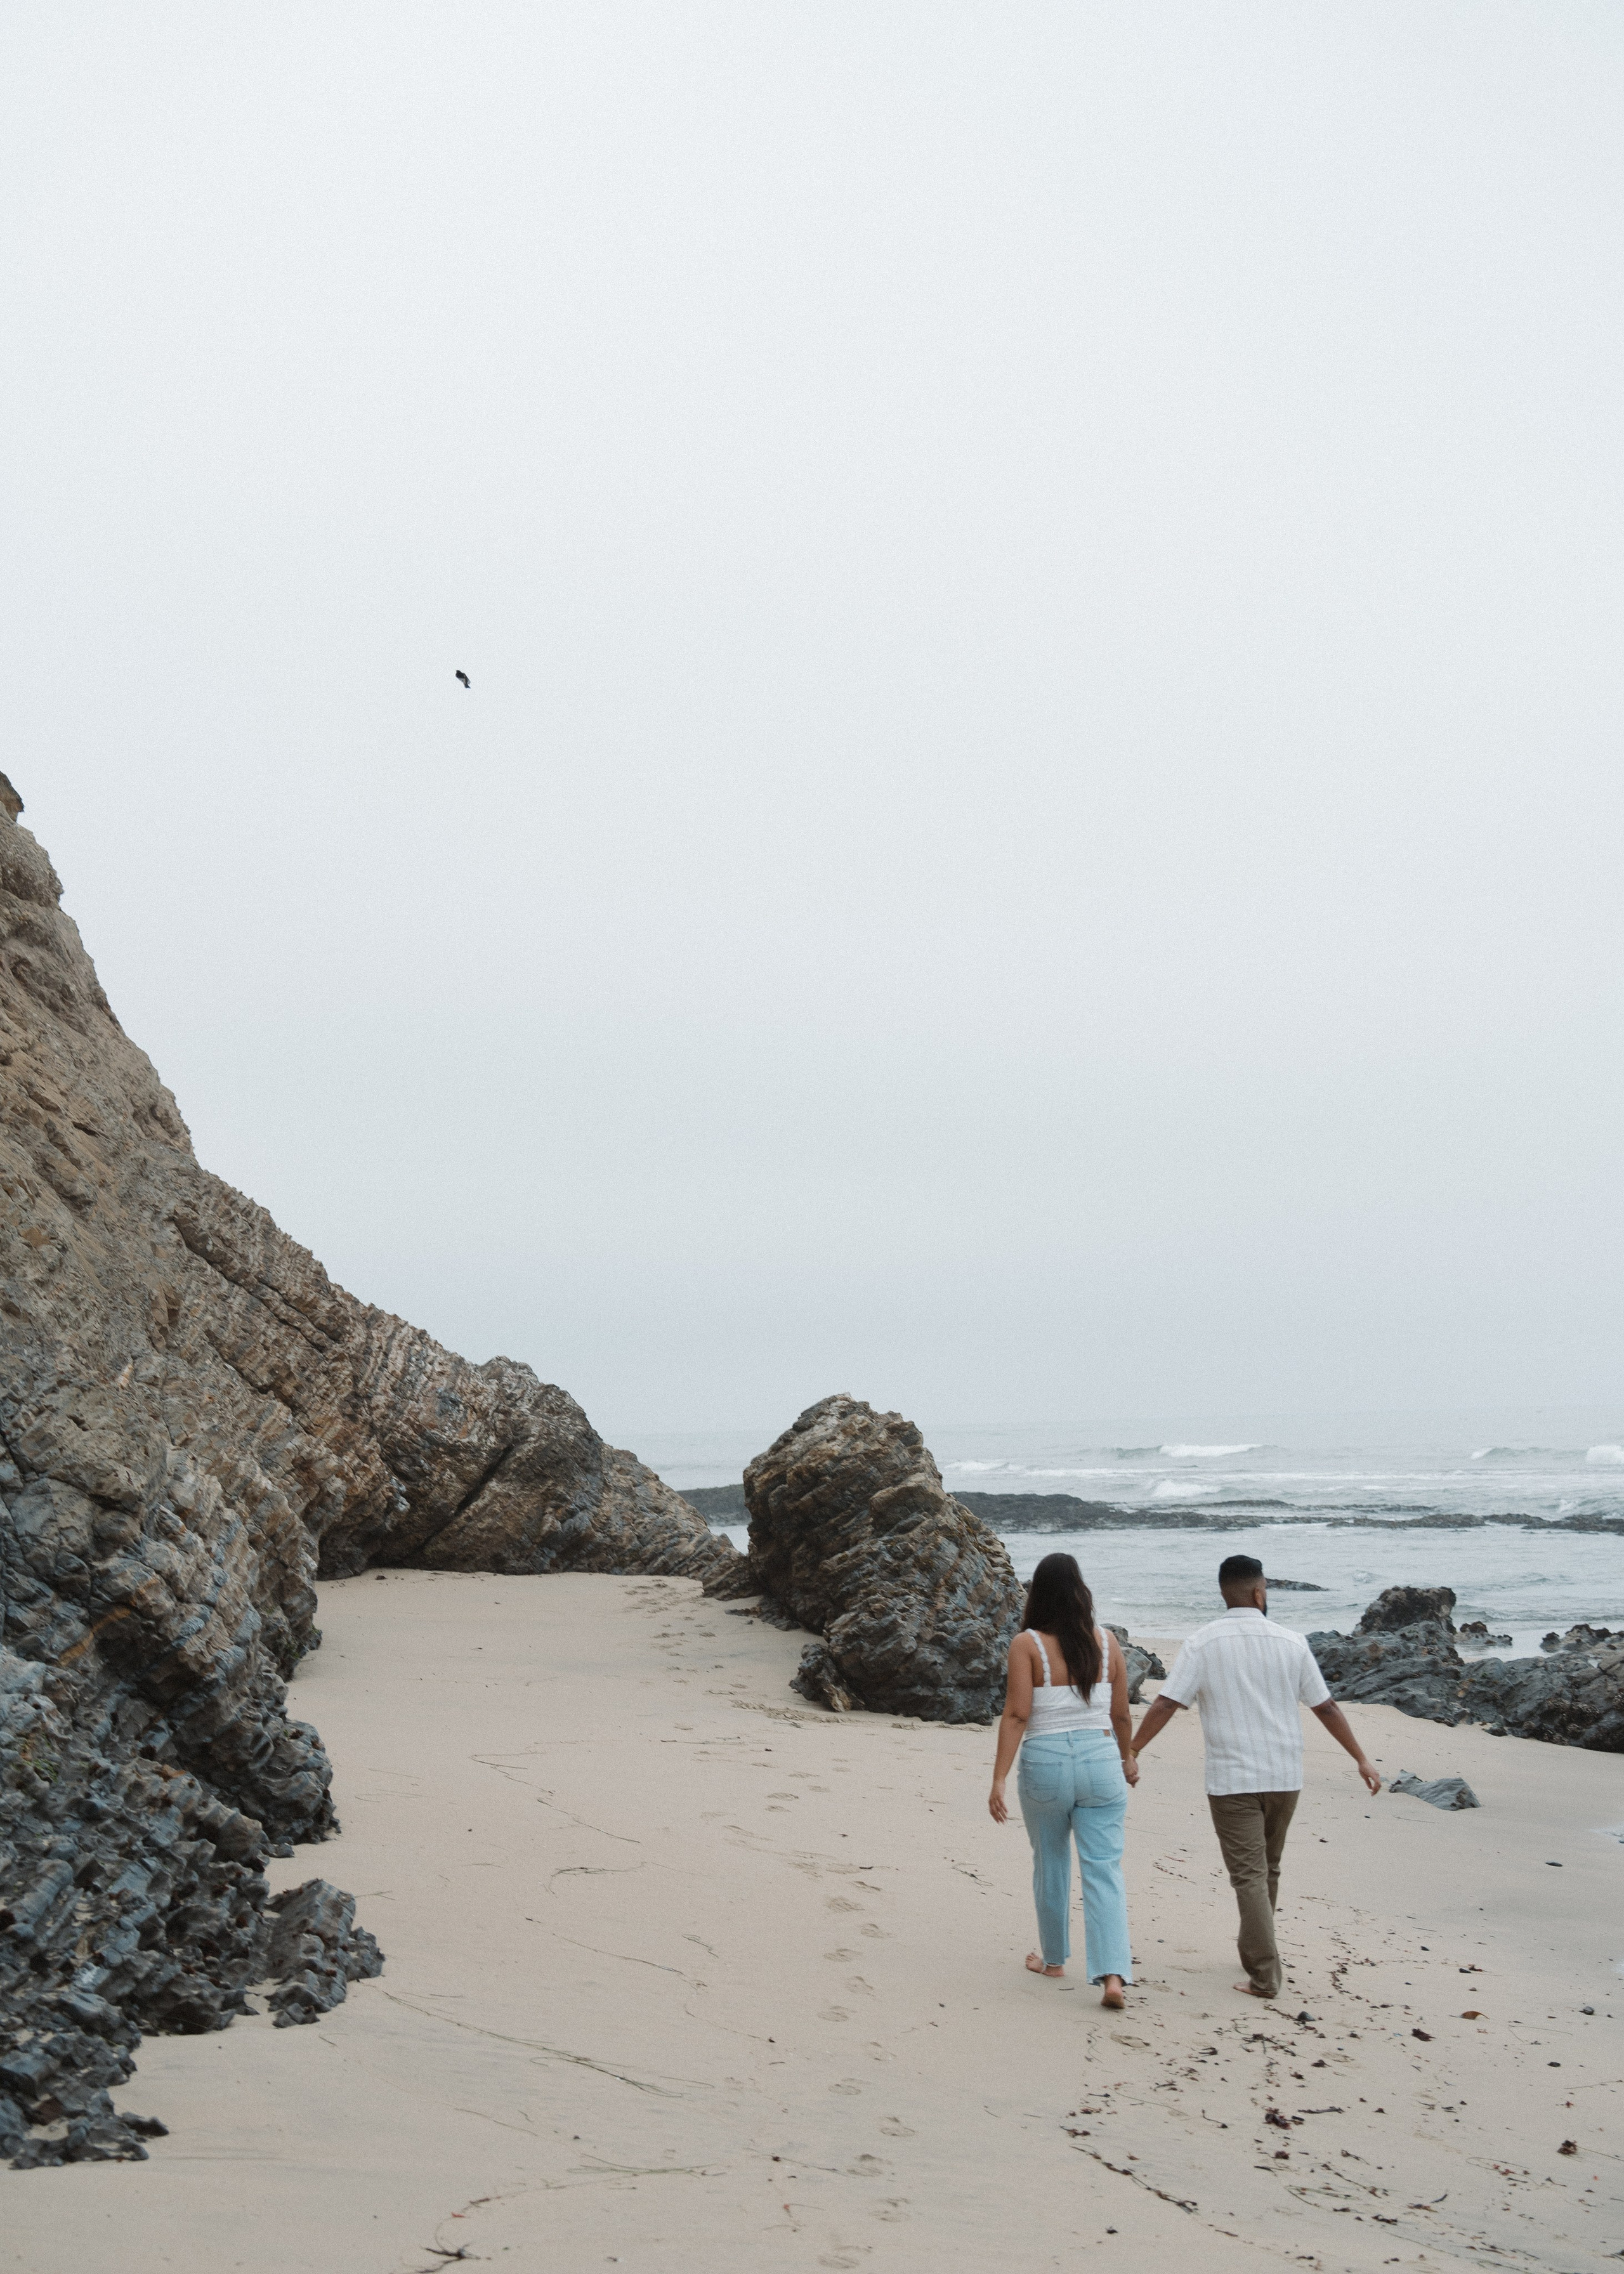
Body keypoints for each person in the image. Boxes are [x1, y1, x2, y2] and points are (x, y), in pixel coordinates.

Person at [1132, 1552, 1381, 2002]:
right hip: (1285, 1775)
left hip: (1233, 1779)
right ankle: (1256, 1947)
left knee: (1248, 1874)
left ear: (1225, 1593)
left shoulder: (1203, 1643)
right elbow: (1325, 1706)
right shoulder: (1292, 1642)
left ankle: (1265, 1976)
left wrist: (1132, 1750)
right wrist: (1360, 1757)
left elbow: (1168, 1702)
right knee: (1267, 1868)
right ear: (1260, 1593)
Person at [988, 1552, 1137, 2008]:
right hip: (1100, 1762)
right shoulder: (1107, 1643)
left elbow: (1017, 1714)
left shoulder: (1026, 1644)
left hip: (1047, 1764)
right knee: (1104, 1868)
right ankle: (1112, 1975)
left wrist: (998, 1779)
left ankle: (1054, 1960)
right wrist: (1127, 1758)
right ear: (1080, 1592)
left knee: (1050, 1861)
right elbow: (1121, 1714)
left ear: (1038, 1593)